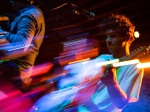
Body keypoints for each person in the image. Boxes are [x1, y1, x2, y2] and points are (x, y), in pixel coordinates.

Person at [0, 0, 45, 91]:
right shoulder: (32, 12)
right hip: (15, 71)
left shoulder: (29, 15)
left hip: (14, 73)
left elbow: (22, 43)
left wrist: (2, 33)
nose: (11, 0)